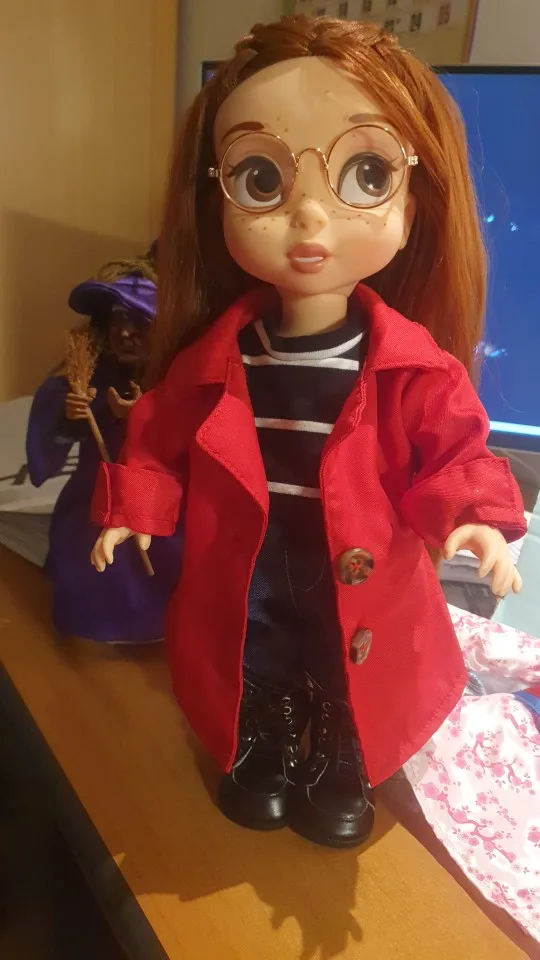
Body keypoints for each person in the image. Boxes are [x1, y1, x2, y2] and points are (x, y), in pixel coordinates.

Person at [90, 16, 526, 847]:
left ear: (413, 199)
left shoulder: (411, 366)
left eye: (366, 173)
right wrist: (134, 506)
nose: (310, 218)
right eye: (262, 178)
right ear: (215, 196)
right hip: (249, 549)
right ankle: (260, 739)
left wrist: (475, 519)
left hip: (356, 556)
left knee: (340, 649)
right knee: (258, 646)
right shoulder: (220, 356)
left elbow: (453, 450)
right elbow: (160, 432)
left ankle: (339, 749)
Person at [27, 262, 182, 643]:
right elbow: (55, 421)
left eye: (138, 320)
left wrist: (144, 416)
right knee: (91, 561)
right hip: (94, 495)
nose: (126, 332)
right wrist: (75, 414)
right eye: (118, 319)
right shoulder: (92, 377)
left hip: (158, 504)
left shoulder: (178, 376)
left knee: (162, 567)